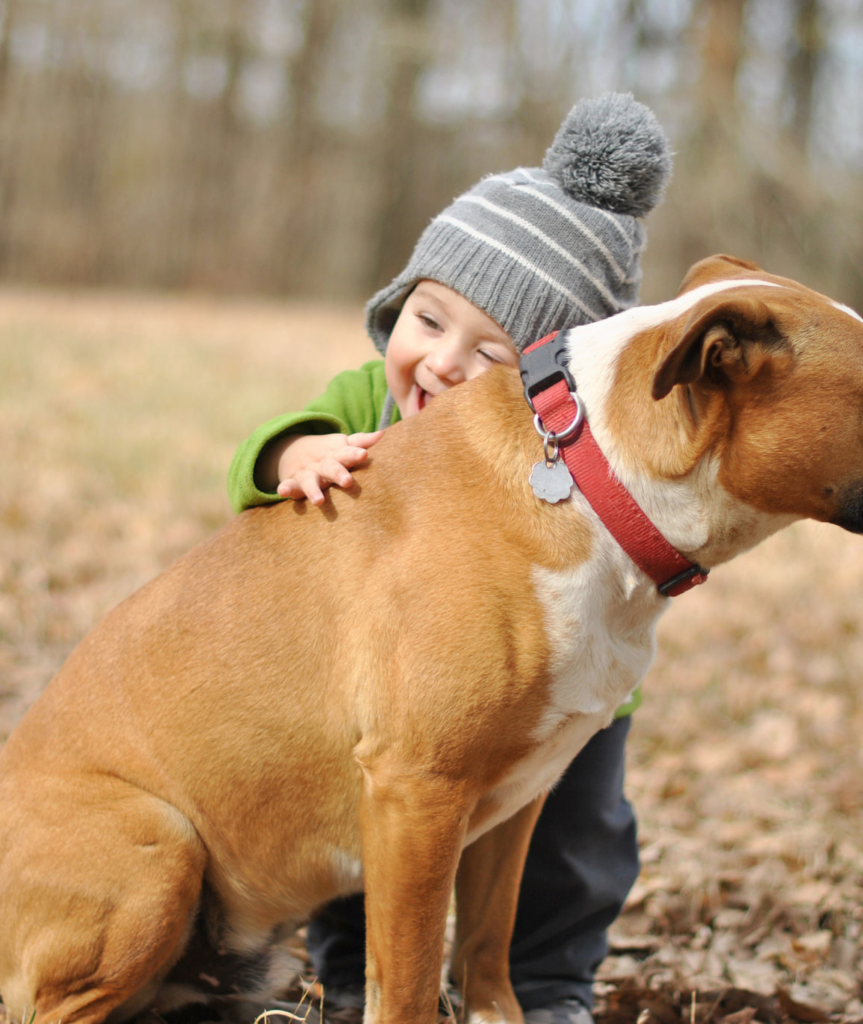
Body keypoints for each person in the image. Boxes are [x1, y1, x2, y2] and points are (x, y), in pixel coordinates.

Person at [227, 92, 671, 1024]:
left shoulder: (562, 459)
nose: (441, 364)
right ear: (398, 308)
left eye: (492, 354)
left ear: (551, 385)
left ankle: (544, 985)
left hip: (556, 687)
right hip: (380, 687)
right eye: (429, 323)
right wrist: (294, 454)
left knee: (575, 842)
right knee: (377, 813)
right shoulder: (367, 406)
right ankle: (358, 974)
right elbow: (251, 469)